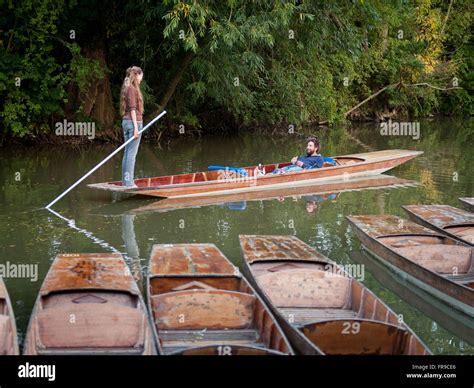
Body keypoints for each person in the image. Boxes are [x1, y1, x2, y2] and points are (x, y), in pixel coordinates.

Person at [120, 66, 144, 188]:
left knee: (127, 153)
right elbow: (133, 109)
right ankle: (129, 183)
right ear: (137, 74)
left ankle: (125, 181)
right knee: (131, 154)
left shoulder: (127, 87)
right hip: (133, 123)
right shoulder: (132, 89)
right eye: (141, 76)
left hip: (126, 122)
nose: (141, 79)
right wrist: (136, 127)